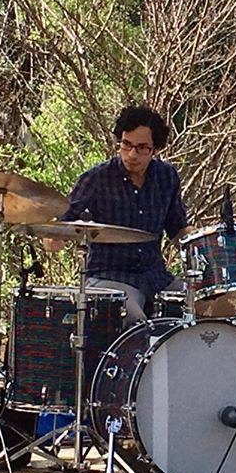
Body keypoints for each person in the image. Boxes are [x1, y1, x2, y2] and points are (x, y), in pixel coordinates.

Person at [44, 105, 190, 327]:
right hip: (109, 277)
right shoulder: (96, 179)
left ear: (155, 149)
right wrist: (53, 237)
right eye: (126, 145)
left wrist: (206, 248)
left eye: (142, 148)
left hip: (156, 277)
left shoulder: (166, 176)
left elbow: (178, 230)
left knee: (197, 310)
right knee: (133, 319)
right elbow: (63, 225)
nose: (132, 154)